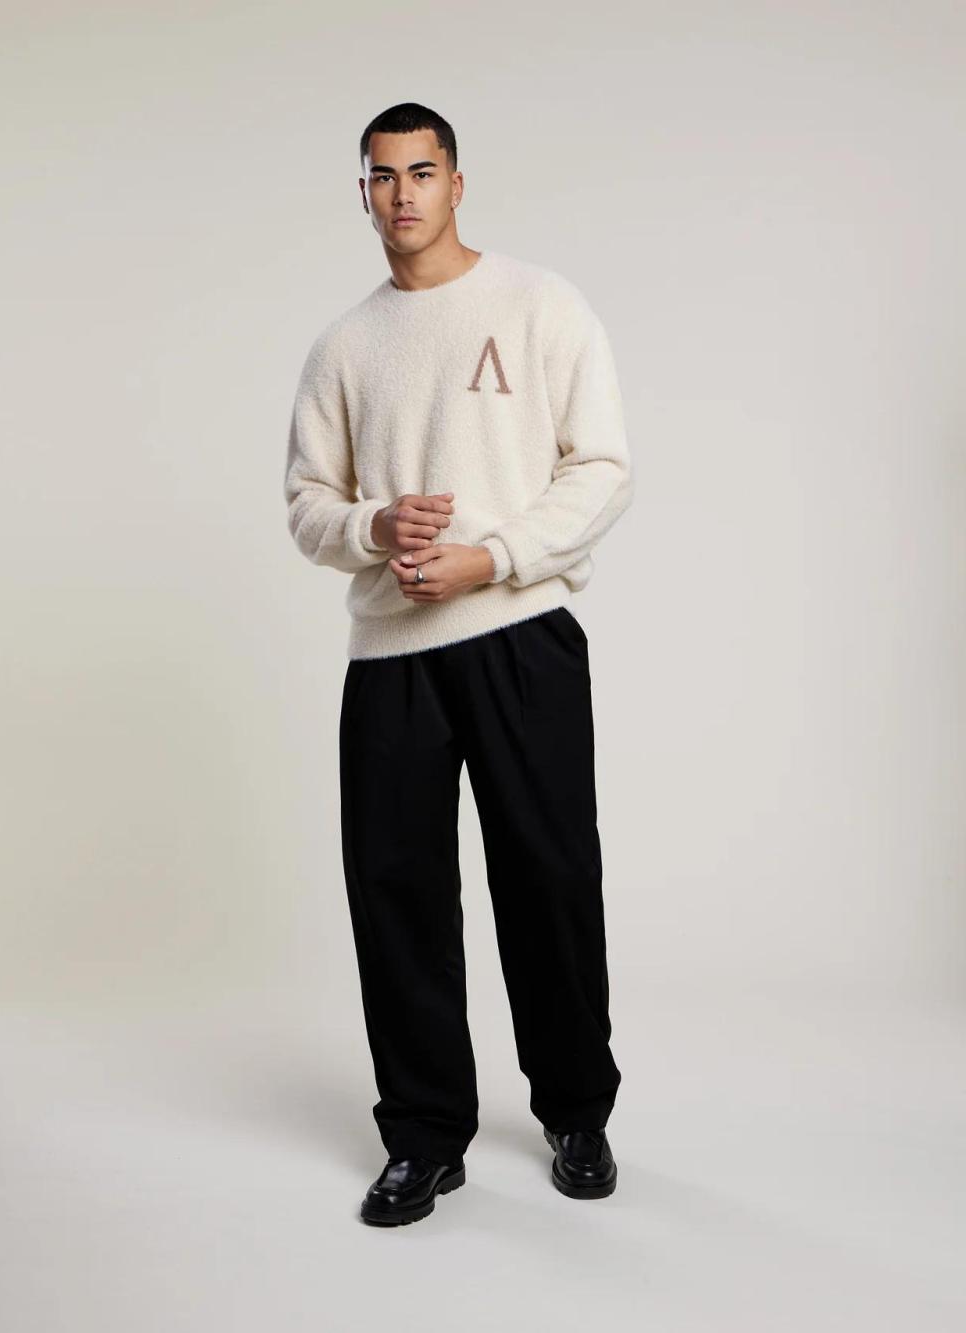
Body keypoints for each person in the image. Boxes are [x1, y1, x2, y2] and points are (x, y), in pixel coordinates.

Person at [284, 101, 633, 1227]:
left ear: (457, 183)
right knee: (396, 896)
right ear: (363, 193)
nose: (403, 195)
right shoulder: (345, 346)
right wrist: (374, 526)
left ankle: (577, 1111)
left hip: (521, 635)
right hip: (391, 655)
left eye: (422, 172)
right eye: (383, 177)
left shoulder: (539, 304)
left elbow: (602, 467)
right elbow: (307, 502)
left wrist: (494, 557)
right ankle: (425, 1135)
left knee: (549, 881)